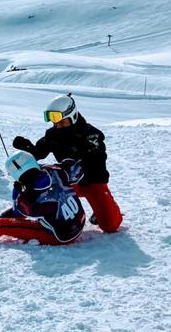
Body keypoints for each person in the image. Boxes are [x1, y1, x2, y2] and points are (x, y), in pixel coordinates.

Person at [12, 94, 122, 232]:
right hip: (68, 182)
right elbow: (39, 152)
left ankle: (107, 208)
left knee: (110, 226)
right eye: (55, 123)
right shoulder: (53, 134)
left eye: (62, 122)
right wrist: (27, 147)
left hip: (92, 182)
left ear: (73, 116)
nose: (58, 126)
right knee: (43, 188)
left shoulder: (91, 135)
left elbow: (96, 162)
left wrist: (72, 164)